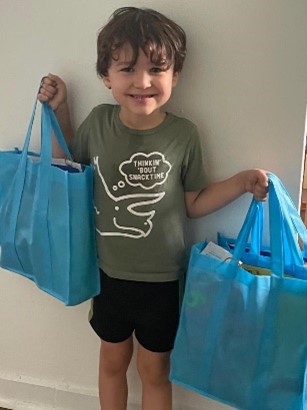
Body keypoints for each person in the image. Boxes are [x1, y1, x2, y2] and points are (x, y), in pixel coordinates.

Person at [38, 7, 268, 410]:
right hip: (108, 276)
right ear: (106, 77)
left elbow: (193, 202)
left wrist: (241, 183)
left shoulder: (183, 134)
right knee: (112, 361)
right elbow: (69, 172)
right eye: (127, 69)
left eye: (156, 69)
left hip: (163, 283)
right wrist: (60, 110)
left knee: (154, 371)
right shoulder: (99, 121)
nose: (142, 82)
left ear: (174, 76)